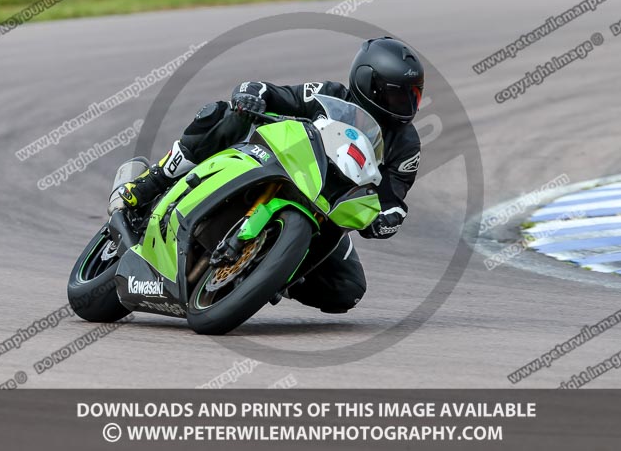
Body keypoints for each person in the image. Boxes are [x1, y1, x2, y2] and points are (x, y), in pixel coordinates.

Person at [109, 36, 423, 313]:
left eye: (414, 96)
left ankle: (270, 270)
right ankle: (152, 183)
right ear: (369, 84)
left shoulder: (407, 144)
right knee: (224, 115)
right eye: (398, 95)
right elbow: (272, 93)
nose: (408, 105)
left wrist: (389, 218)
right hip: (285, 170)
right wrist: (250, 95)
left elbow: (392, 198)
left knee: (348, 290)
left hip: (329, 213)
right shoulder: (330, 95)